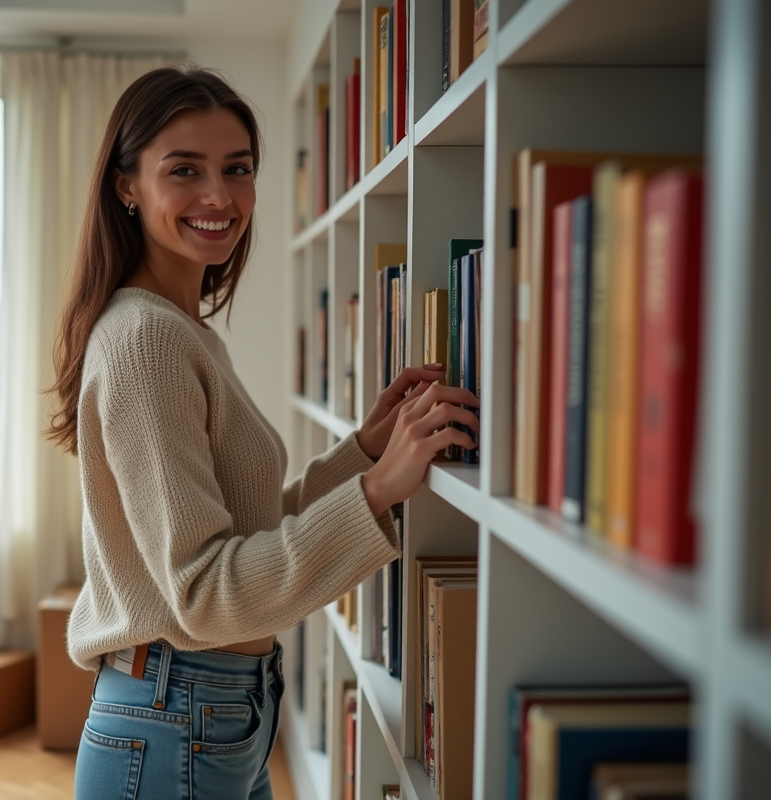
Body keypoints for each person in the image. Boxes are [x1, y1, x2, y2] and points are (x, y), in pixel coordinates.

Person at [47, 65, 480, 800]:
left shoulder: (183, 332)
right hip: (177, 716)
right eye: (184, 169)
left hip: (211, 711)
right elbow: (207, 590)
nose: (219, 196)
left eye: (237, 168)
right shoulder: (146, 340)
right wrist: (377, 491)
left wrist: (365, 453)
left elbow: (248, 527)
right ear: (127, 186)